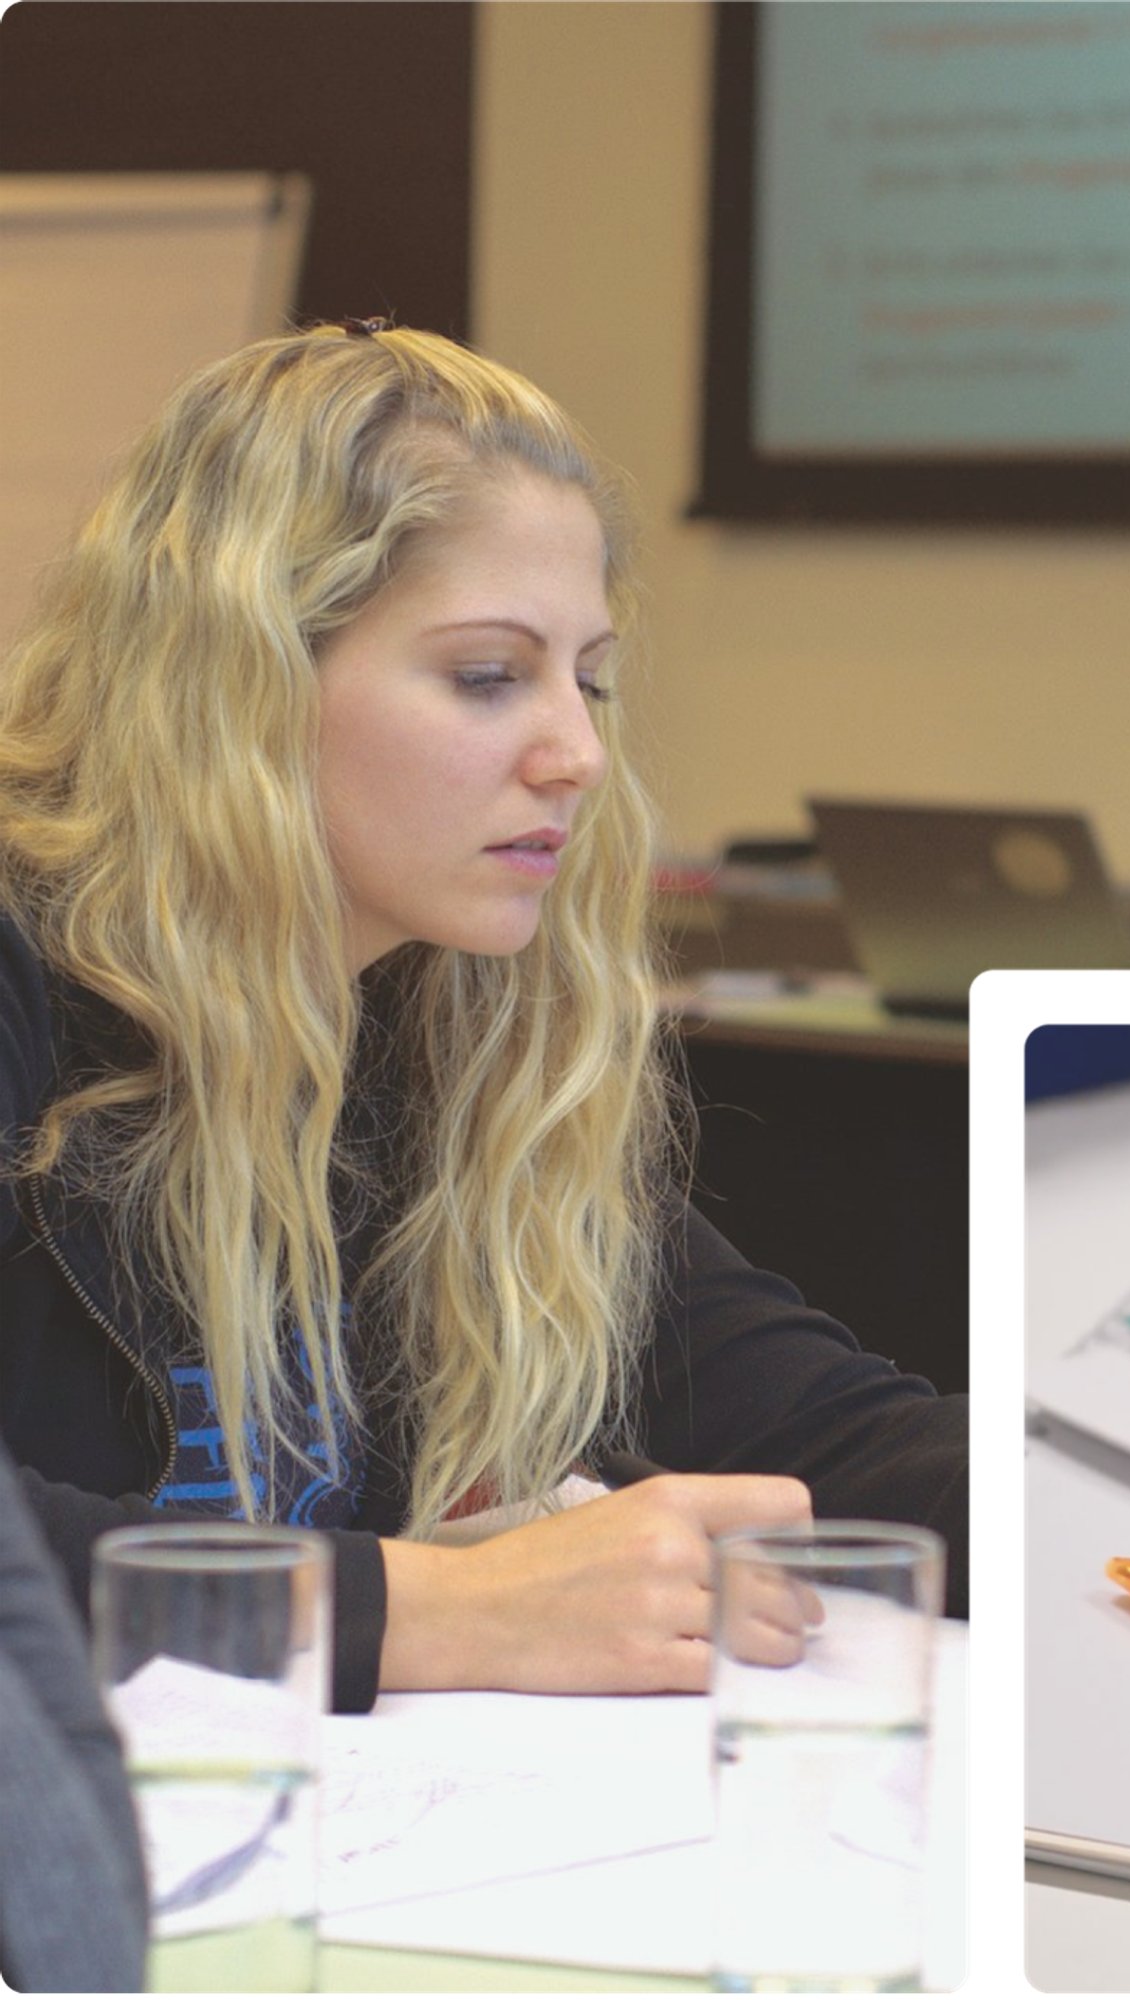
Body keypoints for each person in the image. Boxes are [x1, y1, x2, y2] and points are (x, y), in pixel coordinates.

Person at [0, 321, 969, 1718]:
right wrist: (442, 1608)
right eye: (486, 676)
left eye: (591, 679)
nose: (576, 752)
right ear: (238, 684)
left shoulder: (455, 1033)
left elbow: (836, 1438)